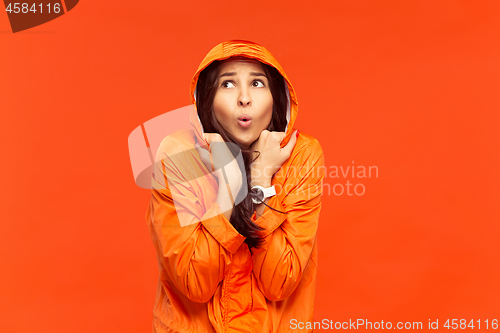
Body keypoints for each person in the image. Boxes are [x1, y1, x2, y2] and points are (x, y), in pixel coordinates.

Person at [145, 40, 325, 333]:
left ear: (276, 97)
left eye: (257, 83)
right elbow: (195, 282)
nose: (244, 98)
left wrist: (260, 181)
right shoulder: (180, 154)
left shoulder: (302, 155)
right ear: (207, 98)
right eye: (227, 85)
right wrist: (229, 186)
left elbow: (280, 282)